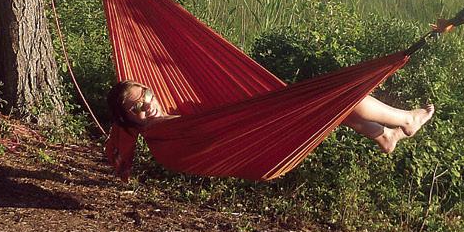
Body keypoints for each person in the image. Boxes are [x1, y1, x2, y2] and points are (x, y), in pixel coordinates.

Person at [108, 80, 435, 153]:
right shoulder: (161, 129)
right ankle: (405, 120)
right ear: (127, 118)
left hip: (253, 125)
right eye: (135, 107)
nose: (146, 105)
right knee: (346, 98)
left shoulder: (161, 124)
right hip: (252, 135)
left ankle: (385, 136)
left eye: (145, 95)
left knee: (337, 110)